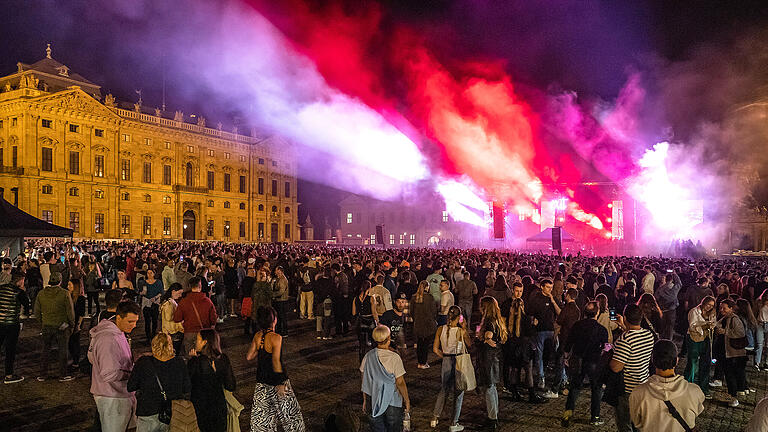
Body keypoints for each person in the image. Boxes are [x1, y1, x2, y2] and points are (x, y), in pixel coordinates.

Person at [247, 306, 305, 432]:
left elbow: (249, 356)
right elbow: (276, 361)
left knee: (263, 420)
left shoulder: (257, 336)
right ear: (273, 320)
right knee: (291, 418)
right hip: (276, 380)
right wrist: (280, 382)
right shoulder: (276, 337)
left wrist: (260, 347)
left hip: (262, 382)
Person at [630, 340, 705, 431]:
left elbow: (637, 422)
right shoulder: (694, 391)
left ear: (652, 360)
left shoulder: (638, 393)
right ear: (677, 361)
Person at [89, 301, 141, 432]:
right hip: (112, 397)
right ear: (118, 317)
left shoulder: (116, 333)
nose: (134, 326)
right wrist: (133, 373)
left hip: (118, 394)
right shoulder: (108, 339)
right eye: (130, 321)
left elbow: (91, 357)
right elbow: (109, 374)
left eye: (136, 321)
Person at [128, 333, 190, 432]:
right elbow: (186, 388)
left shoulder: (143, 363)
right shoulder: (179, 363)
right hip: (172, 413)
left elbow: (130, 386)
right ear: (171, 345)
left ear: (153, 346)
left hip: (147, 411)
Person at [561, 301, 609, 427]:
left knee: (575, 387)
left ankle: (568, 413)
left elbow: (569, 342)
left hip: (578, 359)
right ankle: (595, 416)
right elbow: (606, 347)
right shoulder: (601, 329)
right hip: (593, 361)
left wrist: (566, 356)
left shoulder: (577, 325)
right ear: (597, 312)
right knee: (596, 389)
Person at [610, 303, 655, 432]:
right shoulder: (648, 335)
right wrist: (623, 326)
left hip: (628, 389)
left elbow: (616, 367)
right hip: (643, 384)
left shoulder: (624, 339)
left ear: (625, 317)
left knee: (625, 424)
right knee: (639, 423)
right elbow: (634, 336)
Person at [361, 325, 411, 432]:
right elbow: (400, 382)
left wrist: (365, 399)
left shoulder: (368, 356)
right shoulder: (394, 358)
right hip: (392, 400)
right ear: (388, 339)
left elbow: (365, 379)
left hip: (373, 400)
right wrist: (406, 399)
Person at [431, 305, 471, 432]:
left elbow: (435, 349)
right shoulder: (461, 331)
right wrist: (465, 327)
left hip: (446, 360)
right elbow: (469, 344)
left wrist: (444, 356)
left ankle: (435, 417)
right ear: (459, 317)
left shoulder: (440, 329)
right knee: (458, 392)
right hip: (458, 361)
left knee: (444, 389)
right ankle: (454, 422)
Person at [188, 329, 236, 432]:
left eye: (198, 339)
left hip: (201, 408)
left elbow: (187, 385)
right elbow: (231, 385)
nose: (195, 342)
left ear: (205, 342)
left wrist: (192, 360)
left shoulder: (196, 362)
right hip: (219, 406)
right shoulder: (223, 359)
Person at [34, 271, 75, 382]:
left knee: (45, 350)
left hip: (47, 325)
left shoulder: (41, 293)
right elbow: (70, 312)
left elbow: (36, 312)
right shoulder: (65, 293)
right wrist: (72, 324)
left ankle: (42, 374)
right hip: (62, 325)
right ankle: (62, 374)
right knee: (63, 350)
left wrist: (42, 322)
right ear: (60, 281)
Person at [503, 297, 543, 403]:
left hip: (513, 347)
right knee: (528, 370)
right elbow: (530, 334)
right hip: (524, 347)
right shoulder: (526, 319)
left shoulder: (509, 319)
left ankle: (515, 393)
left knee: (514, 370)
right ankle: (531, 394)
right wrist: (534, 326)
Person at [475, 297, 506, 431]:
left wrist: (481, 340)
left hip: (488, 359)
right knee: (492, 388)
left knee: (489, 388)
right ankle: (494, 415)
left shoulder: (488, 322)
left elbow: (488, 337)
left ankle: (492, 418)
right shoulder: (497, 320)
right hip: (495, 357)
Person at [526, 278, 561, 398]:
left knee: (557, 353)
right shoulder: (536, 299)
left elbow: (560, 313)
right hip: (540, 330)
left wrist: (553, 301)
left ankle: (562, 377)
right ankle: (541, 377)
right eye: (547, 287)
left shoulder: (553, 299)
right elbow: (530, 314)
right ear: (541, 287)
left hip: (552, 330)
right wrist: (533, 322)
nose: (550, 290)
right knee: (539, 355)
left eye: (551, 288)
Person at [173, 276, 218, 357]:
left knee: (190, 357)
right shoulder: (207, 301)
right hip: (204, 333)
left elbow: (177, 318)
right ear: (200, 286)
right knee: (205, 357)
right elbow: (214, 318)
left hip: (189, 332)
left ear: (190, 287)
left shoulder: (184, 302)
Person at [684, 296, 716, 398]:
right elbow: (692, 326)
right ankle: (688, 385)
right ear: (703, 302)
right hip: (694, 338)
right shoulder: (694, 311)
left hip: (706, 339)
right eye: (708, 305)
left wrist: (712, 326)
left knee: (705, 363)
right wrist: (704, 326)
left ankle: (703, 387)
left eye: (711, 306)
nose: (709, 307)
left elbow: (714, 323)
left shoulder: (712, 313)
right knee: (692, 362)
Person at [719, 298, 747, 407]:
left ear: (731, 308)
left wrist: (725, 332)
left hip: (733, 353)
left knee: (731, 375)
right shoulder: (726, 317)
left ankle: (734, 397)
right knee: (730, 374)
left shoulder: (734, 319)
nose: (721, 310)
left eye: (724, 308)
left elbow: (740, 333)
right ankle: (736, 393)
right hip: (727, 351)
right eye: (721, 307)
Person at [0, 270, 27, 383]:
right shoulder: (19, 292)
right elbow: (26, 305)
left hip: (0, 322)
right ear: (21, 280)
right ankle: (9, 375)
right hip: (12, 324)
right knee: (10, 349)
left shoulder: (1, 288)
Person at [411, 280, 437, 369]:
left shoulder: (414, 297)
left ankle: (419, 362)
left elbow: (411, 312)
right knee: (425, 344)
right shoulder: (429, 297)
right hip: (427, 323)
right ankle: (424, 362)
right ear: (427, 287)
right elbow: (434, 311)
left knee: (419, 343)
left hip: (418, 323)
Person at [159, 283, 185, 355]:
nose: (180, 295)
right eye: (179, 293)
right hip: (173, 331)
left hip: (170, 331)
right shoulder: (169, 304)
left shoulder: (168, 302)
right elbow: (169, 318)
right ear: (173, 291)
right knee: (174, 352)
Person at [655, 271, 682, 341]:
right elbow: (679, 283)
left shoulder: (660, 289)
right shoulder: (674, 289)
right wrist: (675, 274)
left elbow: (656, 298)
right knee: (670, 326)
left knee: (663, 326)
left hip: (663, 310)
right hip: (672, 310)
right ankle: (669, 340)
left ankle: (661, 340)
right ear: (671, 280)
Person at [139, 269, 164, 343]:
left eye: (151, 273)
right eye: (148, 273)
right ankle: (148, 336)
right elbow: (140, 292)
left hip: (155, 303)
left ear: (154, 274)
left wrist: (155, 297)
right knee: (147, 321)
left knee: (155, 320)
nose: (149, 274)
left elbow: (161, 292)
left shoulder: (158, 282)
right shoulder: (143, 282)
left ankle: (153, 335)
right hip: (146, 303)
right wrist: (142, 293)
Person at [67, 278, 86, 369]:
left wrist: (78, 325)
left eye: (70, 285)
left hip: (77, 322)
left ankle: (76, 360)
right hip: (69, 321)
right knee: (69, 341)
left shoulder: (80, 298)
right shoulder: (68, 296)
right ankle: (73, 357)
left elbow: (82, 313)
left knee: (75, 341)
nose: (68, 287)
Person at [272, 266, 291, 336]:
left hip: (282, 300)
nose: (275, 272)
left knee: (282, 316)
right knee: (280, 316)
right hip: (279, 300)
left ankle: (284, 331)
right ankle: (280, 330)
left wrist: (273, 294)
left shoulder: (282, 280)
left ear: (280, 271)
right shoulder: (278, 278)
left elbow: (281, 291)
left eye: (276, 270)